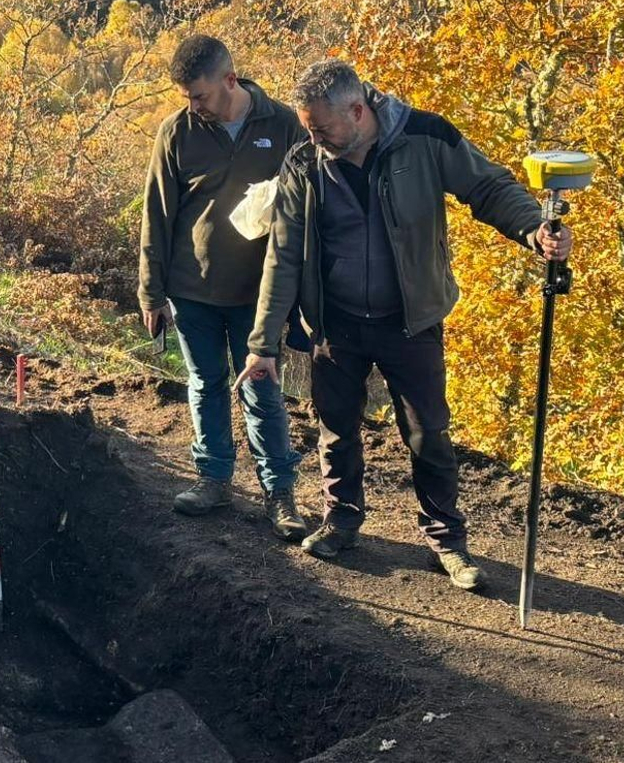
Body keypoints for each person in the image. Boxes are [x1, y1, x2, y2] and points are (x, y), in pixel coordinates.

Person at [235, 59, 572, 589]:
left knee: (427, 433)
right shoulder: (304, 163)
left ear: (358, 109)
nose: (313, 136)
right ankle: (341, 523)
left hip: (411, 323)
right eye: (307, 126)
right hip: (336, 324)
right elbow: (284, 256)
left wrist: (535, 230)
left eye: (321, 126)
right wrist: (263, 346)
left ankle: (447, 543)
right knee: (336, 430)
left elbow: (487, 187)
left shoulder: (426, 136)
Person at [138, 35, 307, 539]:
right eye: (187, 97)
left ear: (230, 81)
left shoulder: (283, 126)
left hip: (261, 293)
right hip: (193, 291)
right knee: (205, 384)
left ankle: (280, 494)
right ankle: (213, 480)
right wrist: (151, 291)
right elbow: (157, 214)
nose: (194, 106)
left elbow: (310, 212)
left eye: (200, 96)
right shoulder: (176, 133)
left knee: (262, 389)